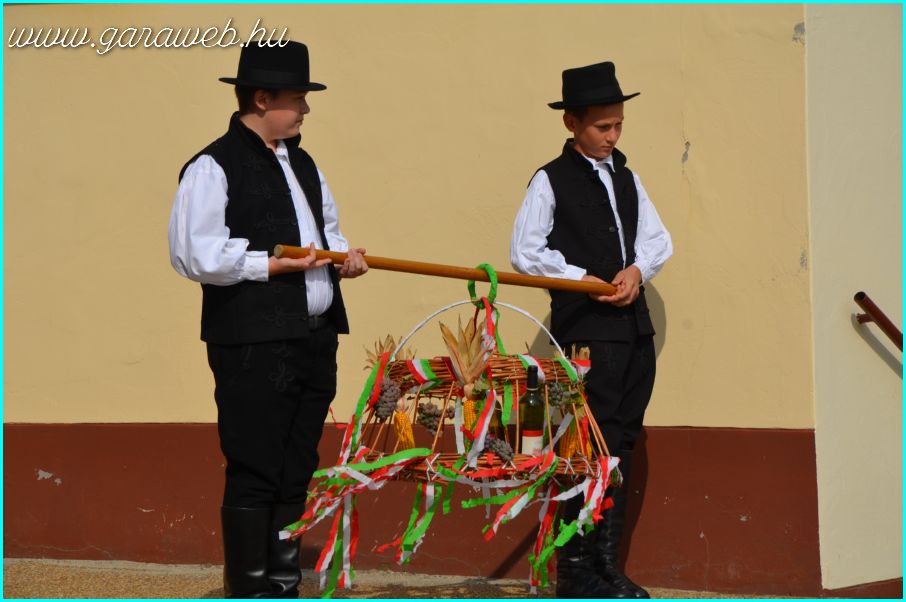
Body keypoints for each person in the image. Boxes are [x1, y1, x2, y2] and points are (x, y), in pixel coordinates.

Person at [168, 40, 368, 598]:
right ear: (261, 99)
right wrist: (269, 264)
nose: (305, 109)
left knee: (297, 463)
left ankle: (283, 582)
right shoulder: (213, 166)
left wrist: (343, 260)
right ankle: (249, 588)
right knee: (255, 464)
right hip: (253, 343)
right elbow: (194, 253)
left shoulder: (303, 163)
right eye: (296, 99)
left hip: (315, 338)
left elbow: (325, 236)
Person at [510, 60, 672, 598]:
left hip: (633, 332)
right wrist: (583, 279)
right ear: (571, 123)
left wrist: (636, 271)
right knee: (587, 445)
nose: (613, 135)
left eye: (618, 124)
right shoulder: (550, 179)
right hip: (586, 334)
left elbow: (657, 239)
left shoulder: (627, 177)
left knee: (620, 442)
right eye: (603, 126)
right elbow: (526, 252)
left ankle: (606, 566)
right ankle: (577, 571)